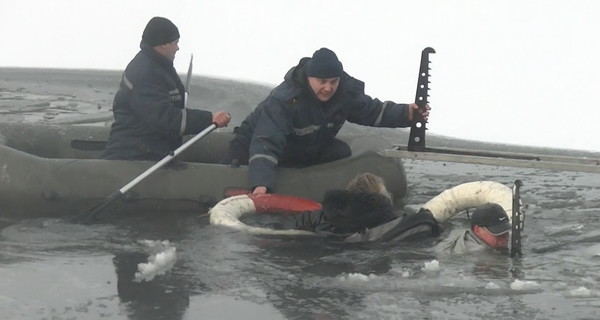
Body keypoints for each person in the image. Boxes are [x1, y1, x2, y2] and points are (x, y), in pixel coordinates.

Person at [223, 47, 430, 194]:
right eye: (322, 82)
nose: (328, 88)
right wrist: (262, 184)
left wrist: (406, 114)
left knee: (340, 151)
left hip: (302, 145)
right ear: (310, 78)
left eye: (333, 82)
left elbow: (371, 110)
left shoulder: (342, 93)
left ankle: (304, 180)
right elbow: (266, 141)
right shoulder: (286, 99)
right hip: (252, 144)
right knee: (254, 158)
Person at [102, 16, 231, 161]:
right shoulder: (144, 72)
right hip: (135, 156)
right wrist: (209, 119)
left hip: (154, 151)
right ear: (162, 44)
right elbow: (163, 117)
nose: (177, 47)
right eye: (175, 43)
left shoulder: (158, 65)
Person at [433, 203, 511, 255]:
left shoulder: (459, 232)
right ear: (477, 230)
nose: (505, 236)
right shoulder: (479, 251)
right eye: (498, 232)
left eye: (505, 230)